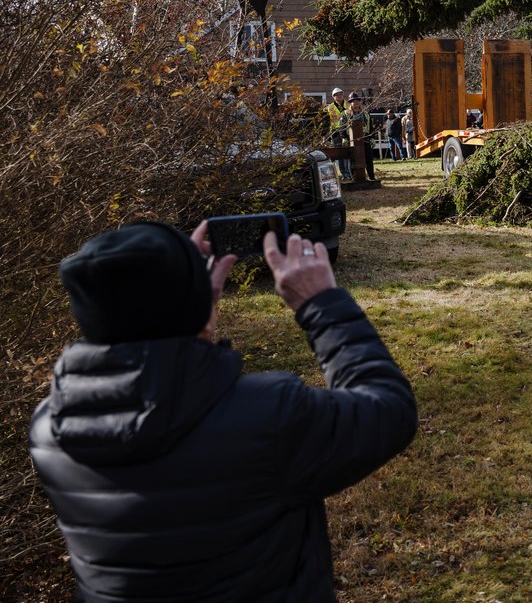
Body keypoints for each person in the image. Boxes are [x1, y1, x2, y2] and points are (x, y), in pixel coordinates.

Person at [29, 220, 417, 600]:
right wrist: (321, 304)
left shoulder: (50, 429)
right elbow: (388, 408)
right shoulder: (269, 416)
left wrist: (193, 314)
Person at [345, 91, 376, 181]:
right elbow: (341, 127)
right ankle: (353, 177)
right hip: (352, 140)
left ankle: (371, 176)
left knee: (369, 159)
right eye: (354, 101)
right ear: (350, 103)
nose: (356, 103)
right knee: (353, 160)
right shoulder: (346, 114)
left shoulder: (366, 114)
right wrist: (344, 137)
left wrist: (372, 138)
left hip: (365, 139)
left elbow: (370, 127)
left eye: (358, 101)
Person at [326, 86, 351, 178]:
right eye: (337, 95)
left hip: (347, 131)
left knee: (349, 153)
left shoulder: (348, 105)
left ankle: (349, 172)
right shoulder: (329, 107)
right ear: (333, 96)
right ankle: (344, 173)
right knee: (340, 153)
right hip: (336, 132)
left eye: (341, 94)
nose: (340, 96)